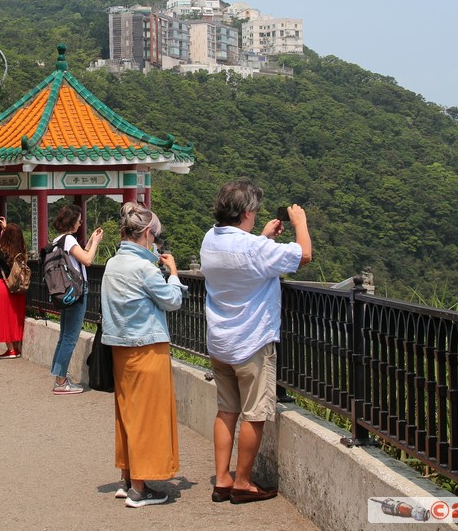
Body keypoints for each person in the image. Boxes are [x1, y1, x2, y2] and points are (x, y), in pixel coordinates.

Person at [199, 178, 312, 504]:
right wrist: (300, 223)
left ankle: (222, 479)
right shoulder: (254, 248)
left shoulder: (210, 239)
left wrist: (263, 236)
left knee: (226, 410)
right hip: (251, 343)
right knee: (254, 413)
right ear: (247, 211)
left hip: (220, 342)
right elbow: (303, 254)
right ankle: (243, 483)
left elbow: (243, 255)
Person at [101, 202, 187, 508]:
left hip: (120, 349)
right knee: (148, 416)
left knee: (128, 412)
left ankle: (128, 478)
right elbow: (172, 300)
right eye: (155, 236)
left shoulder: (112, 264)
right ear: (147, 233)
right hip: (147, 348)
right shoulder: (144, 268)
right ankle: (140, 488)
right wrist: (174, 273)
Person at [48, 204, 104, 394]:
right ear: (72, 221)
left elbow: (80, 256)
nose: (81, 223)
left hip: (64, 292)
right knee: (70, 338)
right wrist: (96, 243)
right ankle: (61, 382)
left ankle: (59, 376)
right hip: (76, 292)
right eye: (79, 220)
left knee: (64, 336)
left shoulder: (58, 239)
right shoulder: (69, 239)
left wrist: (90, 241)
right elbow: (87, 260)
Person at [0, 220, 27, 359]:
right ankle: (16, 347)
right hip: (18, 288)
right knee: (15, 318)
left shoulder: (1, 251)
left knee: (4, 318)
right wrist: (6, 228)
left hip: (3, 286)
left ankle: (11, 350)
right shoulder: (22, 251)